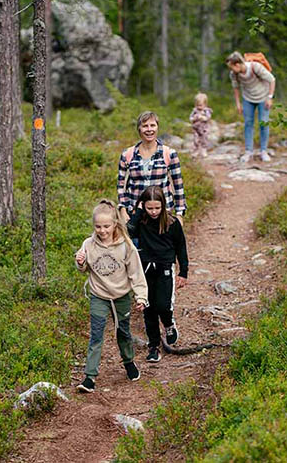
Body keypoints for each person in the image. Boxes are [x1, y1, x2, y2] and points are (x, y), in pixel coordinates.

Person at [74, 199, 148, 393]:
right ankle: (90, 377)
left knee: (123, 332)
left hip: (121, 296)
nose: (102, 230)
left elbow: (136, 273)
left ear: (115, 223)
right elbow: (83, 268)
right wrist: (80, 262)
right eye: (98, 226)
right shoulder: (89, 244)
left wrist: (141, 296)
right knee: (96, 335)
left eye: (106, 226)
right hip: (99, 296)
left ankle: (129, 361)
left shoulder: (126, 246)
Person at [126, 186, 189, 363]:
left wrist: (183, 272)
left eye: (157, 208)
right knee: (148, 308)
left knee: (162, 305)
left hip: (165, 268)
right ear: (143, 206)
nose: (153, 212)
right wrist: (138, 213)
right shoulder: (141, 221)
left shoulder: (172, 223)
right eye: (149, 208)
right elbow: (127, 232)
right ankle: (154, 346)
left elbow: (181, 248)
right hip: (144, 269)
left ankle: (168, 324)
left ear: (163, 205)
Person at [117, 111, 187, 224]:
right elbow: (121, 186)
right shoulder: (127, 154)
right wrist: (123, 210)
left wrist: (179, 214)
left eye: (152, 125)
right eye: (145, 126)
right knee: (136, 242)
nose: (149, 129)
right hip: (135, 214)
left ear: (157, 127)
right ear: (139, 129)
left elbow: (178, 186)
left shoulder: (169, 153)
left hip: (163, 214)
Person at [226, 51, 276, 163]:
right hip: (248, 98)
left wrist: (270, 97)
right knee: (248, 123)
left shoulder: (255, 67)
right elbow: (235, 87)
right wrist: (238, 103)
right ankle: (248, 151)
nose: (231, 70)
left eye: (232, 67)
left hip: (263, 97)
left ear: (237, 64)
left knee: (263, 122)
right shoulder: (234, 74)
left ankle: (264, 151)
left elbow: (272, 79)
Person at [189, 92, 213, 158]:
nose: (199, 107)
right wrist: (194, 118)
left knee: (204, 139)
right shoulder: (195, 111)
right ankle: (196, 151)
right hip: (196, 128)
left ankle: (204, 150)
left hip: (204, 129)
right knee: (196, 140)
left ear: (205, 104)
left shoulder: (206, 111)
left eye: (200, 105)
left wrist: (202, 117)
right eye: (197, 105)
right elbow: (190, 118)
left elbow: (208, 118)